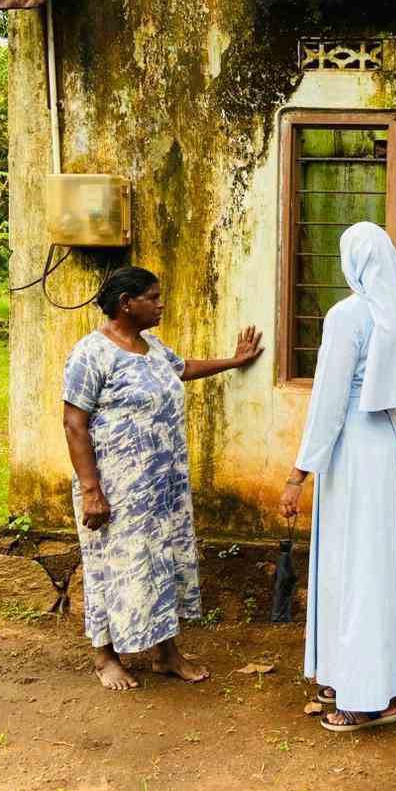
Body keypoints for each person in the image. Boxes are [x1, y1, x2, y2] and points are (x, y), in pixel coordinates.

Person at [280, 222, 396, 732]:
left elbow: (330, 404)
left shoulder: (346, 316)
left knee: (354, 569)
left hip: (353, 456)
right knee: (382, 568)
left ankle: (370, 699)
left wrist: (298, 475)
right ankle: (368, 675)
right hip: (393, 459)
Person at [62, 266, 263, 690]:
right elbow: (73, 423)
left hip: (161, 489)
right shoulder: (90, 353)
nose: (161, 304)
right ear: (126, 304)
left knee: (161, 566)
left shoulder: (150, 346)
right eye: (153, 297)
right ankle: (105, 657)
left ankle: (165, 653)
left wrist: (235, 360)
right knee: (112, 567)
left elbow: (182, 368)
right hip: (115, 489)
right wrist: (91, 490)